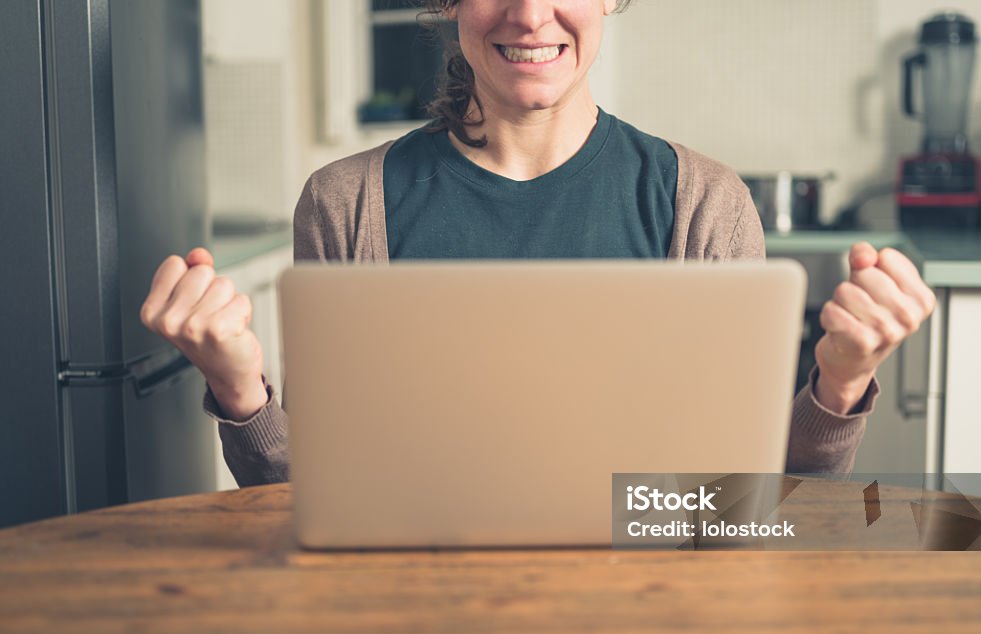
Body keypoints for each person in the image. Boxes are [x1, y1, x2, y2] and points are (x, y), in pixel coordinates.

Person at [140, 0, 936, 487]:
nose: (528, 13)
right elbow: (315, 498)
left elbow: (755, 502)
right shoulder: (348, 204)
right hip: (413, 608)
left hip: (649, 604)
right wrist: (241, 392)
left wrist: (839, 385)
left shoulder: (704, 203)